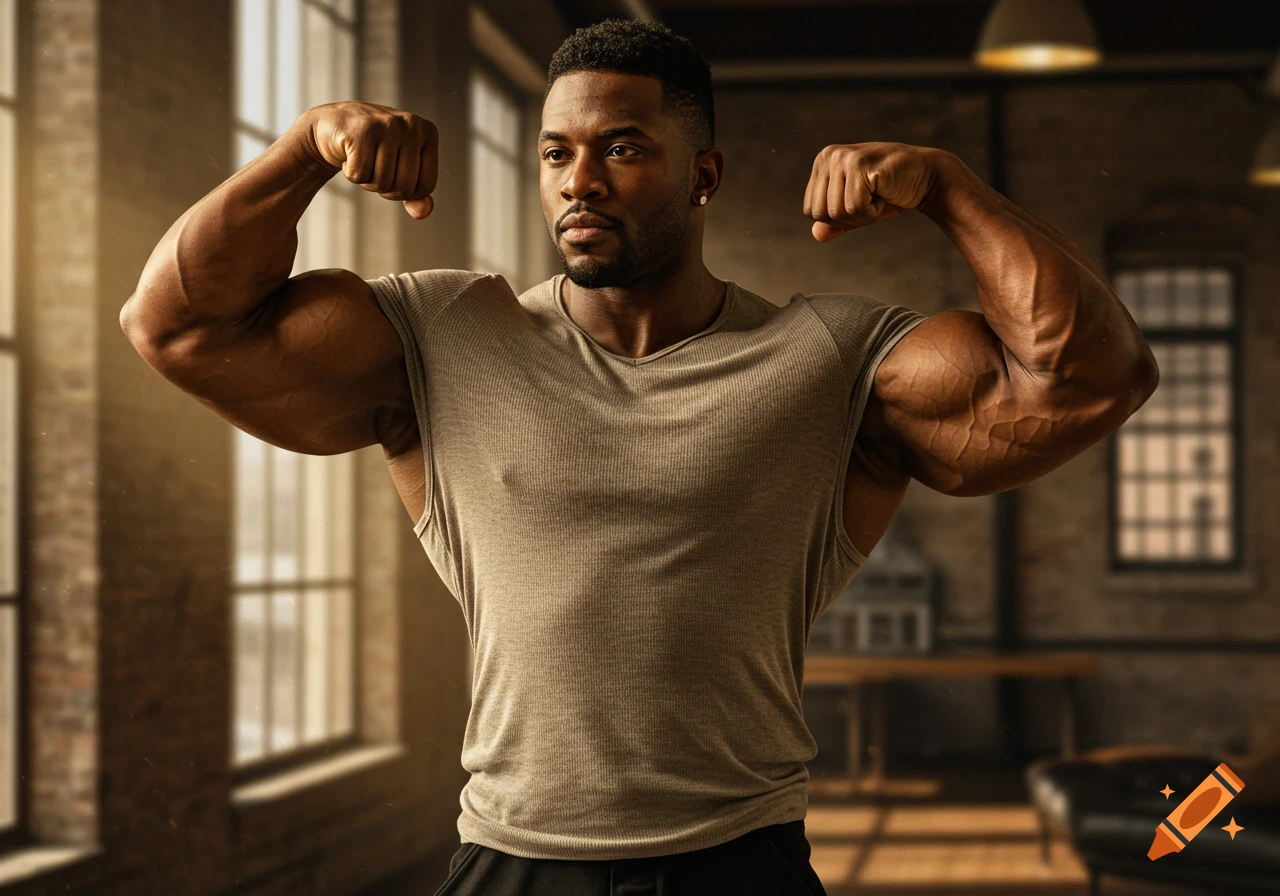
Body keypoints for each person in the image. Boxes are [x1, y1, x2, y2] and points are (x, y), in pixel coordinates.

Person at [119, 18, 1157, 896]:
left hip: (740, 861)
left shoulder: (826, 357)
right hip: (513, 858)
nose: (581, 181)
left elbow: (1087, 378)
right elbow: (177, 326)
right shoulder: (441, 334)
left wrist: (946, 186)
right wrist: (303, 148)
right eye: (555, 152)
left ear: (701, 173)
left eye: (620, 148)